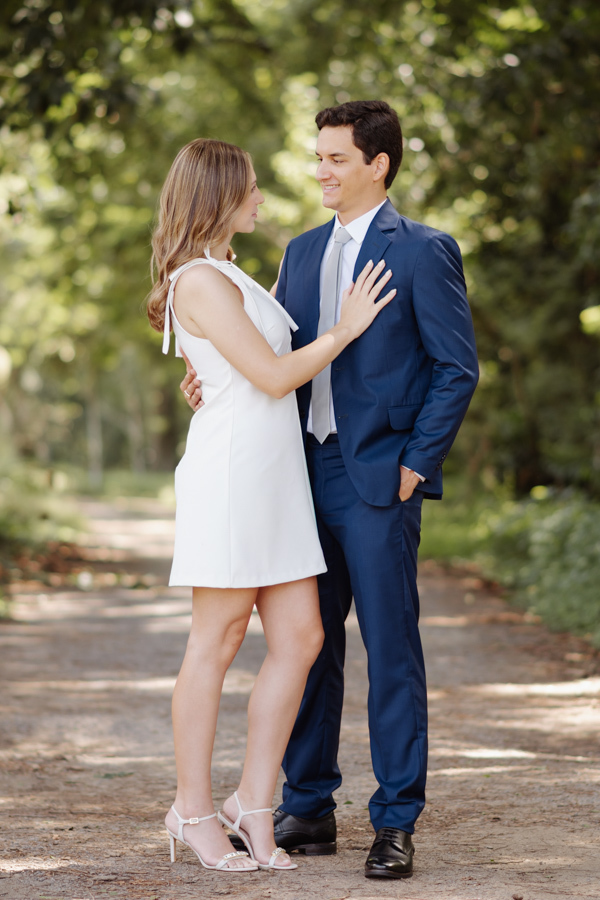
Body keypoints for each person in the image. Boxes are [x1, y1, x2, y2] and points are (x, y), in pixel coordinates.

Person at [181, 101, 479, 879]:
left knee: (391, 649)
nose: (320, 170)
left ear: (378, 164)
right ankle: (308, 804)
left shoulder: (423, 251)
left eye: (336, 158)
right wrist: (206, 376)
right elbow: (268, 352)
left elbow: (457, 368)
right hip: (296, 475)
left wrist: (417, 461)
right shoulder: (300, 252)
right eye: (317, 157)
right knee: (306, 645)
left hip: (380, 477)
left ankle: (395, 819)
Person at [147, 137, 395, 875]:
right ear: (220, 194)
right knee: (216, 640)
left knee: (302, 637)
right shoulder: (196, 278)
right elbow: (270, 376)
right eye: (250, 187)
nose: (261, 197)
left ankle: (255, 804)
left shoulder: (231, 272)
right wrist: (345, 331)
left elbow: (224, 369)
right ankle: (192, 810)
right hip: (232, 477)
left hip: (276, 475)